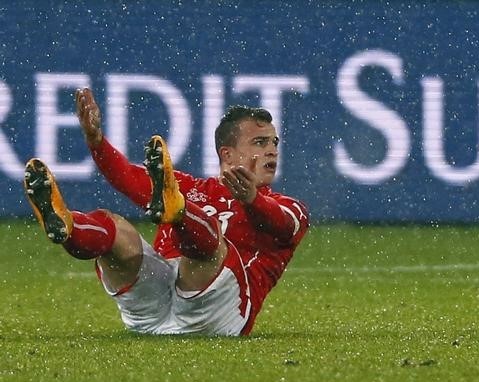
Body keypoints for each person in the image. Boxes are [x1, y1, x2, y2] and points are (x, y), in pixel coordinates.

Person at [22, 87, 309, 336]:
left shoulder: (288, 206)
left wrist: (251, 200)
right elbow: (126, 176)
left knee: (210, 244)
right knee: (117, 228)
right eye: (260, 142)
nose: (272, 150)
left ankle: (180, 213)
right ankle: (68, 226)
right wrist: (96, 141)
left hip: (217, 315)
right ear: (227, 154)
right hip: (153, 310)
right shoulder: (187, 185)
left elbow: (282, 225)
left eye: (274, 143)